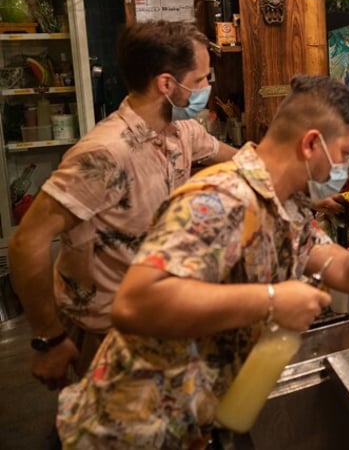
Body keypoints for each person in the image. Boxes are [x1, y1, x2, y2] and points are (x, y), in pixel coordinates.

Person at [55, 75, 349, 447]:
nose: (343, 168)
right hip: (130, 429)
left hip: (192, 422)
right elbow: (134, 304)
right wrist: (271, 299)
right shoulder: (221, 198)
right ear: (311, 143)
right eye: (345, 153)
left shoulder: (289, 207)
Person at [9, 21, 236, 392]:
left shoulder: (181, 133)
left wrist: (300, 176)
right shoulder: (105, 154)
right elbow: (25, 244)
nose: (206, 90)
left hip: (155, 320)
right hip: (104, 335)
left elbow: (240, 159)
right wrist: (48, 338)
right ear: (166, 84)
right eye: (200, 80)